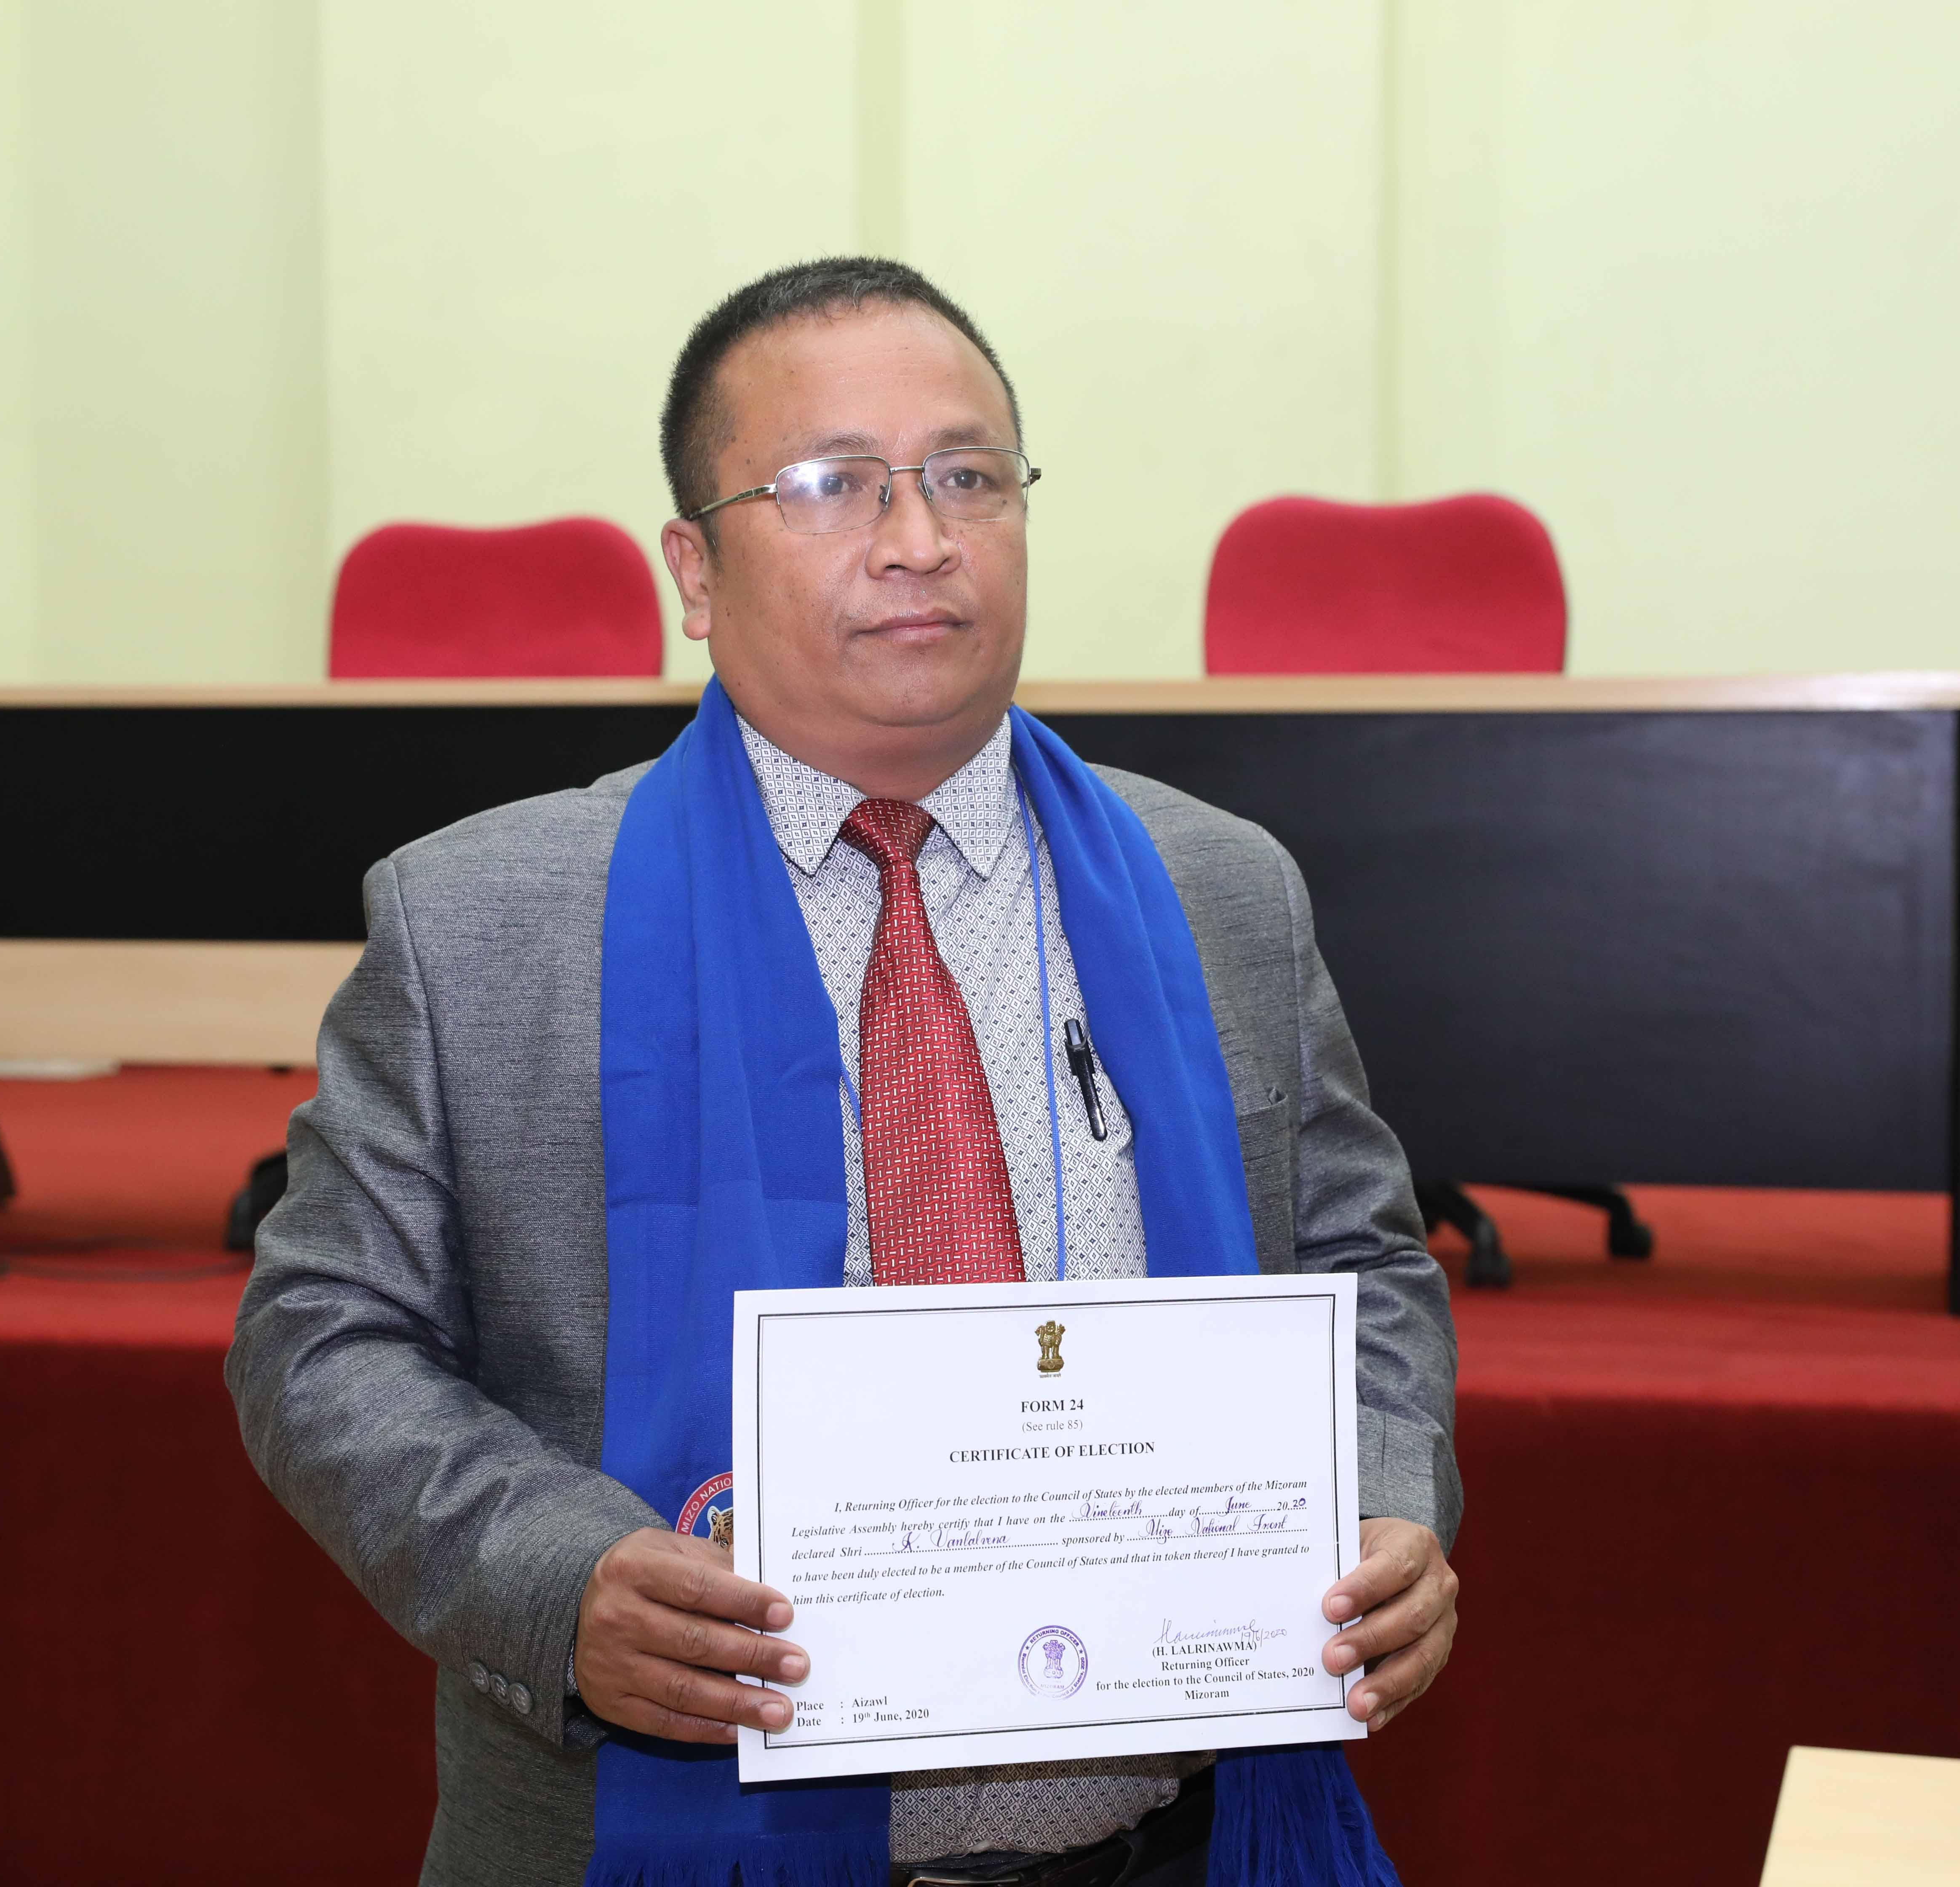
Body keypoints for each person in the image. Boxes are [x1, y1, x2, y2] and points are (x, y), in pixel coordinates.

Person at [226, 258, 1461, 1886]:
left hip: (1168, 1846)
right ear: (694, 567)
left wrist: (1382, 1501)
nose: (919, 539)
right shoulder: (480, 925)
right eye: (831, 485)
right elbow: (321, 1335)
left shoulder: (1218, 889)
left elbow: (1365, 1265)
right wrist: (553, 1578)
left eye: (969, 476)